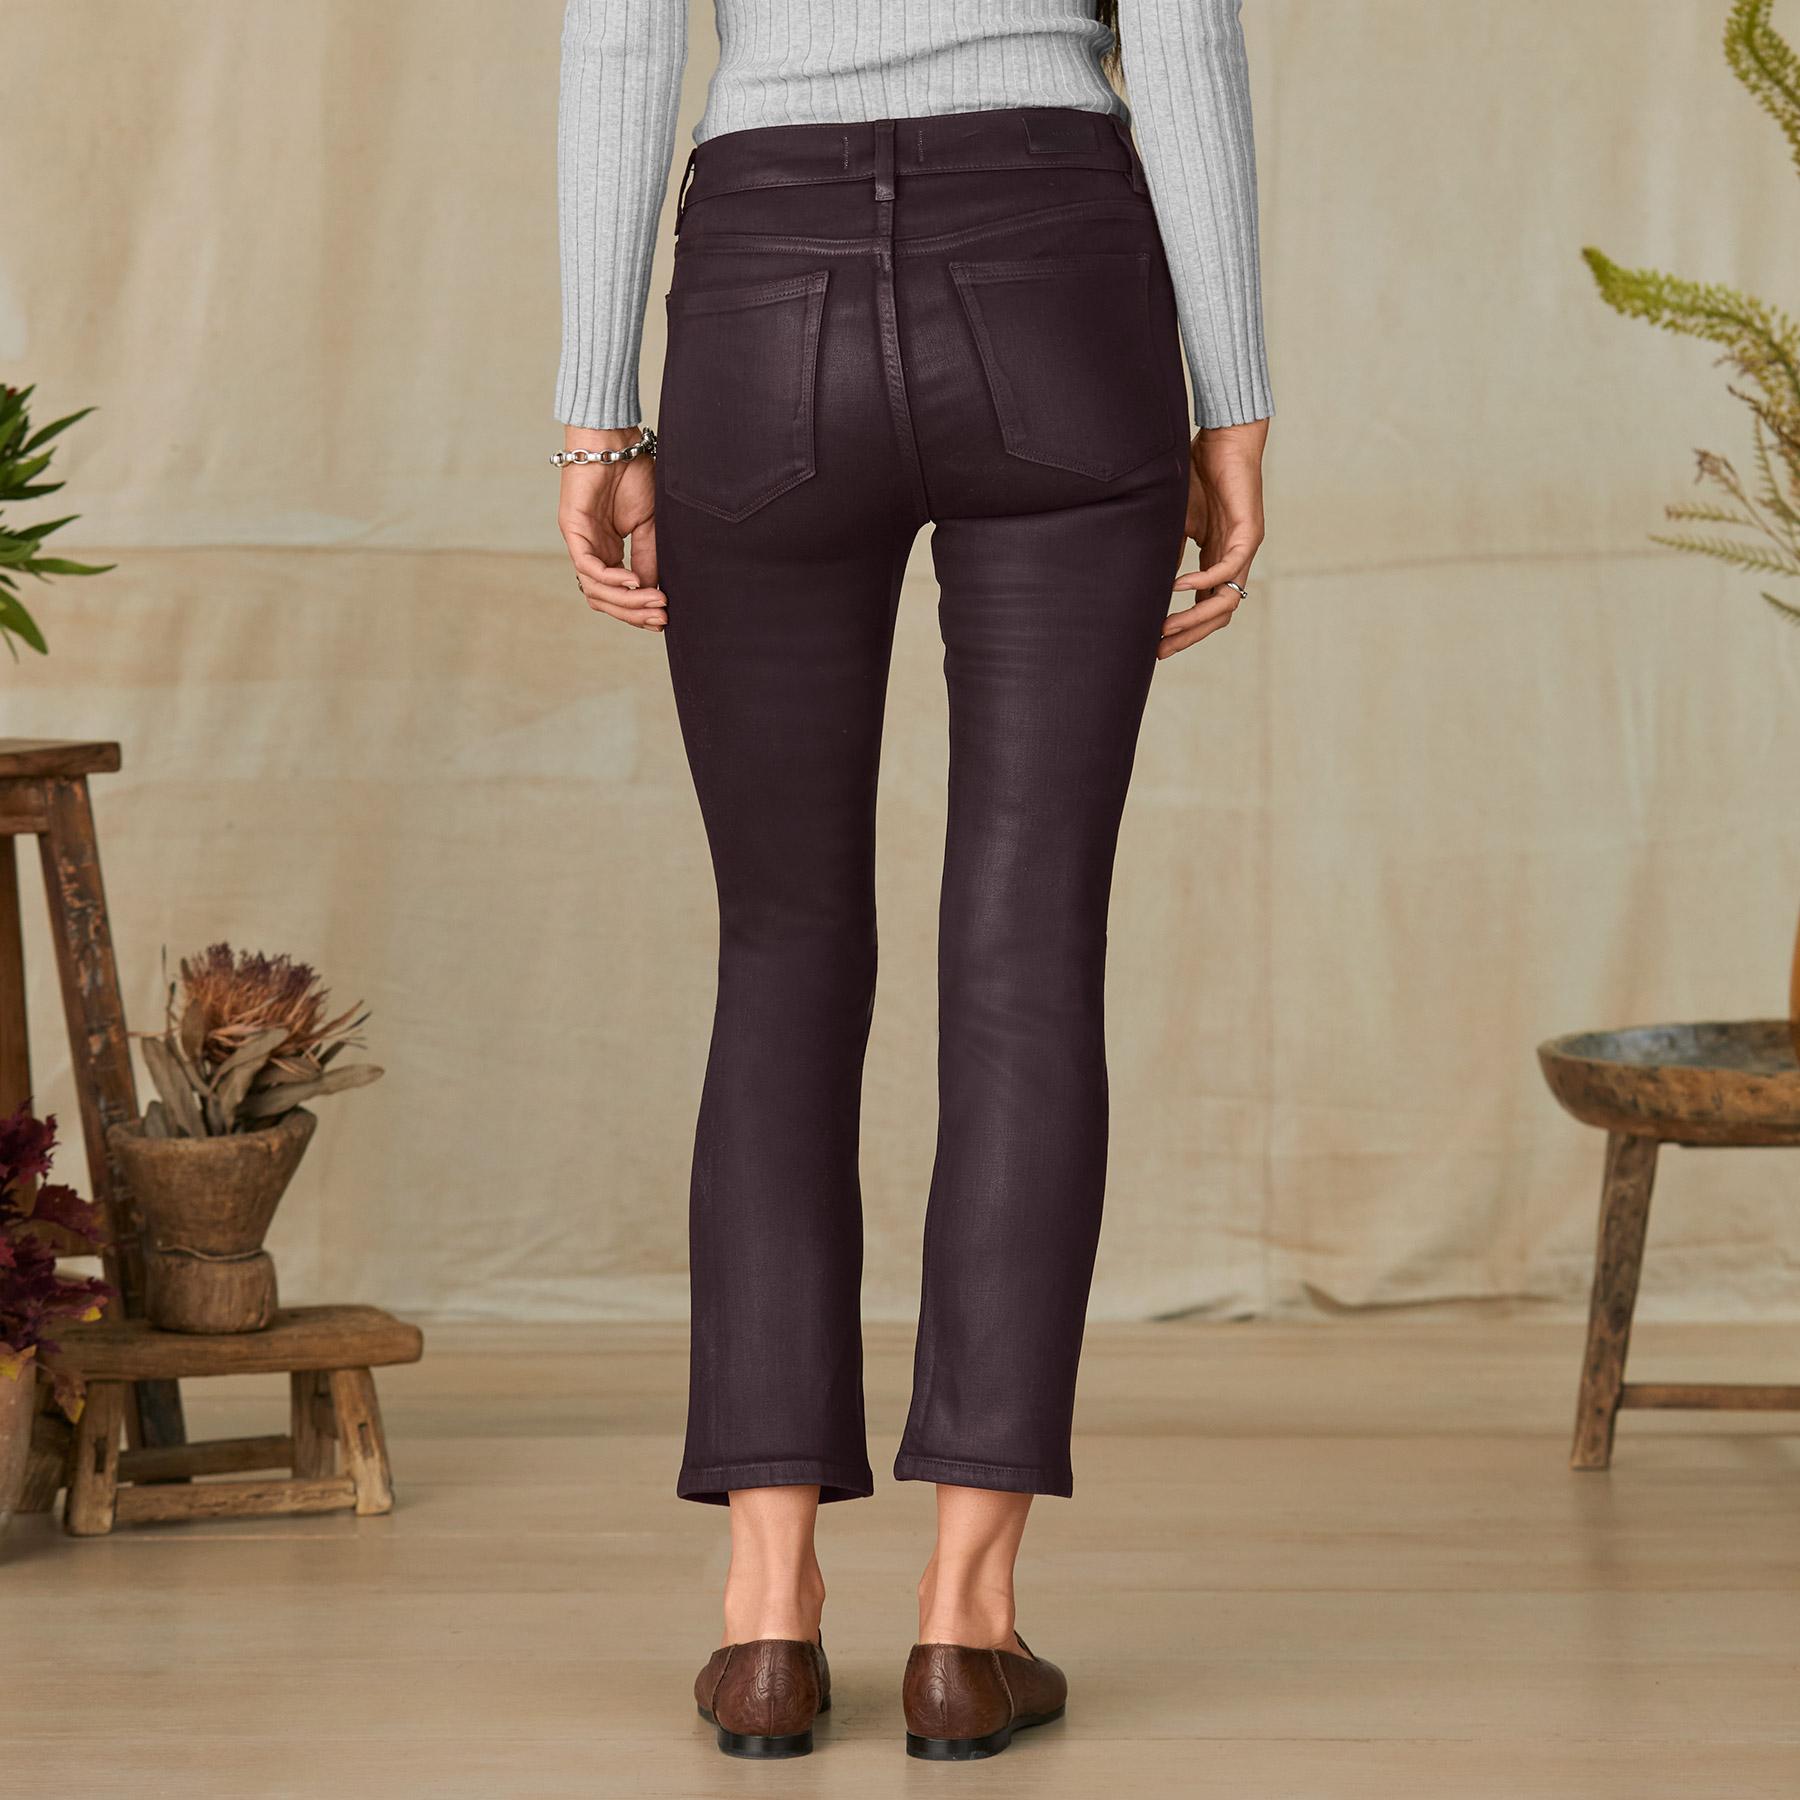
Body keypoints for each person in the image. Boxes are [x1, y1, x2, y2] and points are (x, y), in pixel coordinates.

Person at [553, 0, 1271, 1763]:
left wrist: (593, 414)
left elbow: (624, 39)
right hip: (1059, 268)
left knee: (780, 948)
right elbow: (1183, 38)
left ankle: (766, 1616)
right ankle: (967, 1622)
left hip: (763, 273)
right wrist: (1235, 394)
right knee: (1028, 948)